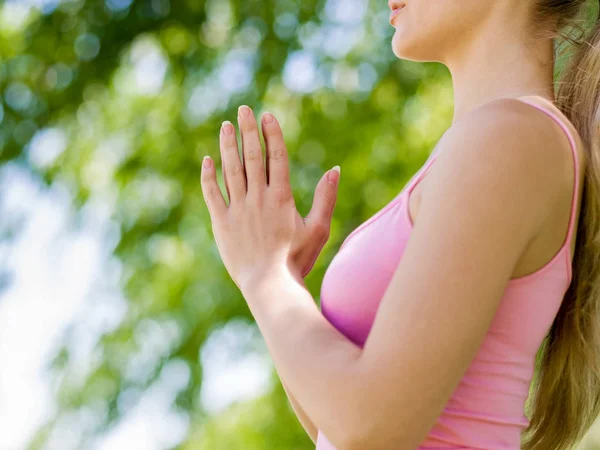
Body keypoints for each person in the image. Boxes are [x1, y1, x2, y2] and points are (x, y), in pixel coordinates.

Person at [199, 0, 600, 448]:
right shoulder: (484, 144)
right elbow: (337, 428)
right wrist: (282, 279)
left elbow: (370, 428)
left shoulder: (510, 137)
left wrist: (264, 275)